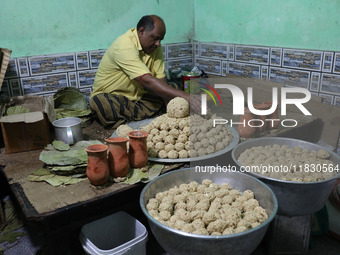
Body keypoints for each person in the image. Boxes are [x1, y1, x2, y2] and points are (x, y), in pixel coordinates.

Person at [89, 14, 200, 128]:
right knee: (101, 103)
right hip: (116, 98)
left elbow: (161, 81)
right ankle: (142, 115)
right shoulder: (124, 45)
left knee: (173, 87)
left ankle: (133, 117)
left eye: (160, 40)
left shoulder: (154, 47)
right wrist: (188, 97)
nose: (158, 43)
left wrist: (170, 110)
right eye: (155, 38)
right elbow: (147, 81)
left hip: (139, 98)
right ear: (141, 31)